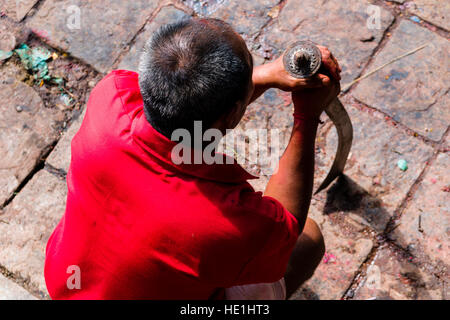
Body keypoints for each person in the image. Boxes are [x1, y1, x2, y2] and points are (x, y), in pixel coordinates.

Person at [44, 17, 341, 300]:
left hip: (69, 283)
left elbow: (183, 106)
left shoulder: (111, 96)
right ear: (234, 114)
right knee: (308, 241)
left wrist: (263, 76)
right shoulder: (225, 223)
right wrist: (308, 115)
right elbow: (286, 223)